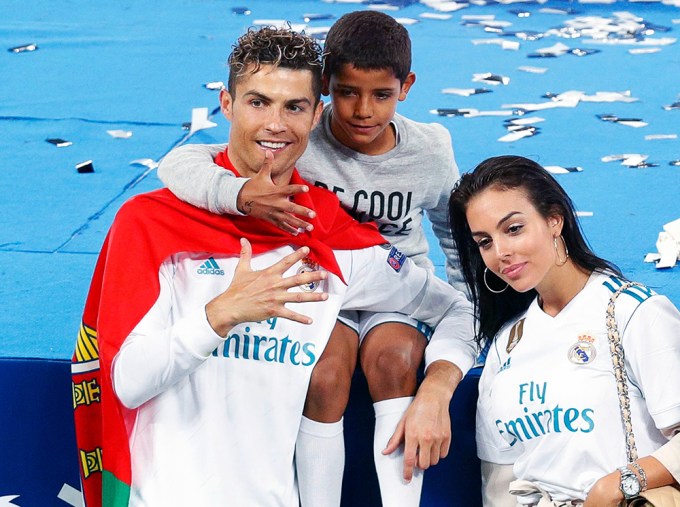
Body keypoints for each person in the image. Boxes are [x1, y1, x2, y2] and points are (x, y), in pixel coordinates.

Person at [71, 26, 476, 507]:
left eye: (294, 107)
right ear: (226, 103)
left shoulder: (332, 240)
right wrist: (219, 314)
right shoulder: (152, 226)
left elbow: (459, 308)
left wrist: (438, 386)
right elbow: (127, 383)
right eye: (258, 102)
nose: (275, 124)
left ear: (315, 113)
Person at [448, 155, 680, 506]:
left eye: (513, 229)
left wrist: (616, 486)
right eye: (484, 242)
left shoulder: (632, 313)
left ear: (554, 220)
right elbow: (499, 483)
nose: (501, 253)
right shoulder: (504, 346)